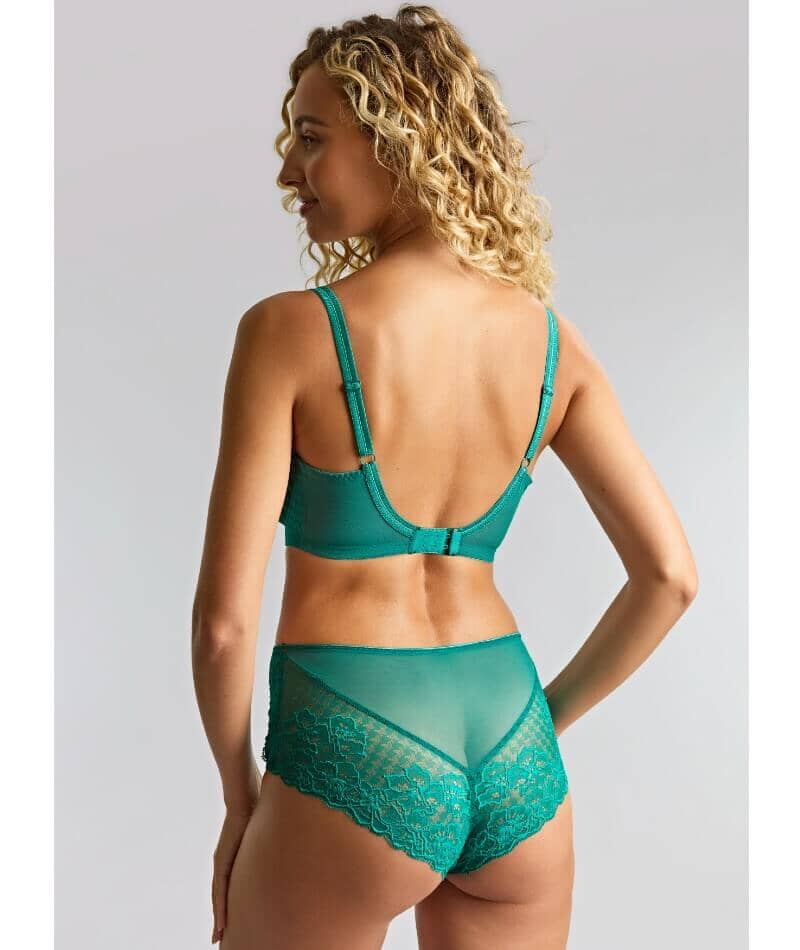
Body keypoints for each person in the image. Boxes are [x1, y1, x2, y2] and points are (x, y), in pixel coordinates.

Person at [191, 6, 698, 948]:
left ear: (400, 137)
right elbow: (669, 578)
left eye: (312, 138)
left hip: (351, 739)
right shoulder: (553, 343)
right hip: (513, 747)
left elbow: (224, 625)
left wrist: (239, 799)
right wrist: (540, 729)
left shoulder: (289, 332)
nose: (288, 170)